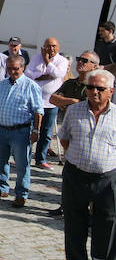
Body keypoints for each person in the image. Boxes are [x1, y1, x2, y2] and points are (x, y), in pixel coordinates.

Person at [56, 69, 116, 260]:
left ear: (110, 91)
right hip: (76, 175)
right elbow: (64, 138)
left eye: (100, 88)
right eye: (90, 87)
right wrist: (81, 160)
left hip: (107, 178)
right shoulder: (74, 111)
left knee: (107, 227)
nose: (94, 92)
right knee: (74, 224)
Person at [47, 50, 100, 217]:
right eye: (79, 59)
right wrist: (72, 101)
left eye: (85, 60)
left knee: (91, 178)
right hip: (72, 135)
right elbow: (53, 99)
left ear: (95, 66)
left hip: (91, 137)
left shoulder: (96, 86)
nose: (80, 62)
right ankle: (65, 206)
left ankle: (90, 211)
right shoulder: (71, 84)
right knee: (69, 175)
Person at [0, 55, 43, 208]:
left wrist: (36, 130)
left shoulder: (31, 85)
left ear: (23, 67)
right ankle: (2, 187)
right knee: (0, 161)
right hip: (1, 129)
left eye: (16, 69)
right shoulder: (3, 84)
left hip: (20, 130)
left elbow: (38, 111)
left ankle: (21, 194)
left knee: (22, 165)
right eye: (10, 68)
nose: (13, 71)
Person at [24, 37, 68, 170]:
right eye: (48, 46)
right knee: (30, 129)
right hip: (34, 100)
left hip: (50, 102)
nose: (51, 49)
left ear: (58, 47)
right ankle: (24, 157)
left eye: (54, 46)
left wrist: (47, 62)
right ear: (43, 47)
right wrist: (45, 75)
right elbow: (27, 74)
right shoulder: (36, 58)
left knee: (46, 132)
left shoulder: (62, 61)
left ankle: (40, 159)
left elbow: (58, 74)